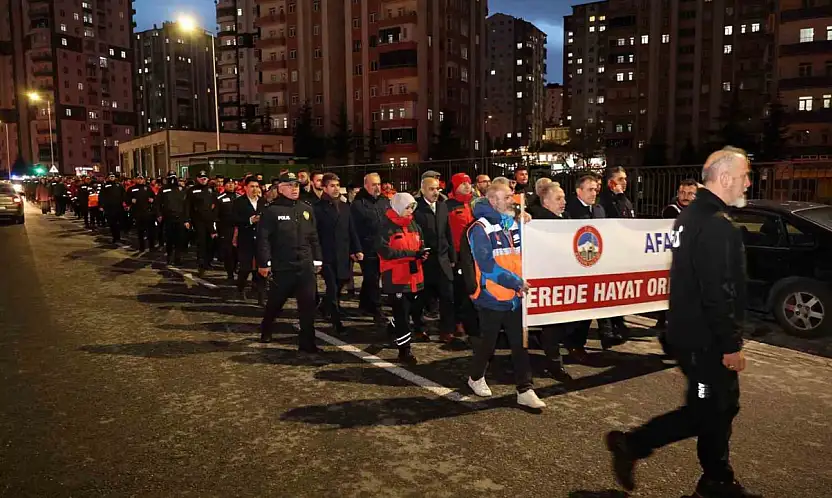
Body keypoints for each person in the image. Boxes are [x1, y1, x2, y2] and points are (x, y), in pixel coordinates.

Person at [606, 148, 759, 498]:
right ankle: (633, 444)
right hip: (705, 345)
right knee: (705, 409)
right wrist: (730, 345)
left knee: (722, 405)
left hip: (697, 338)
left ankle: (716, 478)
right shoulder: (714, 224)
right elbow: (718, 291)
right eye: (744, 175)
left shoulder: (695, 216)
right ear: (724, 178)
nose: (748, 182)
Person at [466, 182, 546, 409]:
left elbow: (525, 250)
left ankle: (525, 388)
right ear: (493, 201)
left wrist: (527, 221)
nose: (513, 200)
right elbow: (487, 265)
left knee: (520, 343)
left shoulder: (511, 222)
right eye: (508, 197)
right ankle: (475, 376)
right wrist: (516, 281)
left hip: (515, 296)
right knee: (488, 344)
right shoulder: (478, 228)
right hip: (492, 296)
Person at [257, 172, 323, 352]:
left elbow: (313, 236)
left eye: (296, 186)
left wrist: (317, 260)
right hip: (283, 265)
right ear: (280, 188)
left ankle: (307, 343)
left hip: (305, 265)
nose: (295, 189)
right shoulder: (271, 211)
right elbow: (263, 239)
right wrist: (265, 263)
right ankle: (266, 328)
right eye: (290, 186)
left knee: (308, 305)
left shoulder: (306, 208)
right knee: (276, 303)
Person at [565, 174, 625, 358]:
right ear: (579, 191)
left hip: (596, 263)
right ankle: (574, 344)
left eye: (596, 189)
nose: (594, 192)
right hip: (576, 265)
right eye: (590, 189)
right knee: (579, 312)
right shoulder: (569, 211)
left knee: (597, 303)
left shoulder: (599, 209)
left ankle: (602, 335)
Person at [527, 182, 573, 382]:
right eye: (558, 199)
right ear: (545, 202)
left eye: (563, 198)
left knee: (562, 324)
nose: (563, 202)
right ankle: (554, 363)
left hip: (564, 277)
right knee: (553, 325)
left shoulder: (565, 219)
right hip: (546, 280)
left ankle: (548, 348)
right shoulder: (537, 221)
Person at [379, 192, 428, 364]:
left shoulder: (414, 224)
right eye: (407, 207)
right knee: (402, 316)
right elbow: (385, 251)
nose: (410, 211)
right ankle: (404, 350)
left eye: (412, 207)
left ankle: (393, 327)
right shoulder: (386, 226)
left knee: (409, 310)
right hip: (396, 277)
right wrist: (412, 254)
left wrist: (422, 254)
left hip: (414, 276)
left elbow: (421, 243)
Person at [314, 173, 363, 335]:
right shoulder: (317, 208)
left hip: (343, 254)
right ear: (324, 187)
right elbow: (314, 235)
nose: (336, 189)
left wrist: (357, 249)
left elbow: (352, 229)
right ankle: (336, 322)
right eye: (332, 186)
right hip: (326, 256)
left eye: (337, 185)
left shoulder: (344, 207)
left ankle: (323, 306)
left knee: (340, 284)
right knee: (332, 288)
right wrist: (317, 258)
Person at [412, 176, 457, 343]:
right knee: (422, 298)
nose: (436, 192)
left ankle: (447, 330)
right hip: (425, 261)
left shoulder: (442, 206)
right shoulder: (416, 208)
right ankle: (419, 328)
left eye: (437, 189)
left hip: (443, 260)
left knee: (448, 296)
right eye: (432, 189)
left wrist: (452, 256)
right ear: (423, 189)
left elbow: (447, 232)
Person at [655, 178, 699, 330]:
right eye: (682, 192)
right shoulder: (671, 210)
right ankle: (664, 322)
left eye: (690, 194)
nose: (685, 196)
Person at [350, 172, 391, 322]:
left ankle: (365, 304)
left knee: (372, 278)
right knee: (372, 278)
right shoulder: (358, 204)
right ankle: (377, 310)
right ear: (366, 185)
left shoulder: (385, 201)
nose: (377, 187)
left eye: (379, 184)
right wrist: (356, 249)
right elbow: (353, 228)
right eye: (374, 184)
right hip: (367, 247)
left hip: (383, 247)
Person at [445, 173, 478, 339]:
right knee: (460, 291)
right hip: (458, 254)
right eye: (462, 183)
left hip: (476, 253)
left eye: (469, 182)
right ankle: (458, 323)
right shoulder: (448, 206)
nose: (467, 186)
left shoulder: (475, 204)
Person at [234, 176, 267, 304]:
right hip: (245, 240)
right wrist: (250, 220)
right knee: (245, 268)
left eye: (257, 187)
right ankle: (240, 289)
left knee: (262, 269)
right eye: (252, 186)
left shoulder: (263, 202)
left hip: (261, 240)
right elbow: (234, 219)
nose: (255, 189)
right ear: (245, 188)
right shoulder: (239, 202)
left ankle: (261, 296)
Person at [185, 170, 217, 277]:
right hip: (198, 220)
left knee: (210, 242)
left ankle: (208, 262)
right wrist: (187, 220)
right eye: (201, 177)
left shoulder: (210, 190)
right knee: (201, 242)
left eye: (205, 177)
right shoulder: (192, 190)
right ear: (197, 179)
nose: (203, 179)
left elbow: (215, 204)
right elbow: (187, 206)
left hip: (210, 220)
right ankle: (201, 263)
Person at [157, 174, 188, 265]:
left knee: (179, 239)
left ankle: (178, 257)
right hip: (168, 218)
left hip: (180, 218)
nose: (172, 180)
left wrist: (187, 219)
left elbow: (186, 205)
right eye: (170, 178)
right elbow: (158, 203)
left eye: (174, 177)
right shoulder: (163, 189)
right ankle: (169, 255)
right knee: (169, 238)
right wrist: (159, 215)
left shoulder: (182, 190)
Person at [215, 179, 238, 280]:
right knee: (228, 252)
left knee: (237, 251)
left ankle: (235, 267)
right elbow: (215, 215)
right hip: (225, 228)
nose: (231, 185)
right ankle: (230, 272)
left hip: (238, 228)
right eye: (228, 184)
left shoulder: (239, 197)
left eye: (232, 184)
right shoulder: (220, 198)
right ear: (224, 186)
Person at [127, 175, 156, 252]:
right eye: (138, 179)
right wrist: (130, 200)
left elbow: (154, 197)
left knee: (150, 231)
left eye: (141, 179)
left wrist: (152, 199)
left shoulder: (148, 188)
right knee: (140, 231)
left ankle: (151, 246)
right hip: (138, 213)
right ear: (136, 180)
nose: (140, 180)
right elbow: (126, 199)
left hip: (148, 213)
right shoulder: (131, 189)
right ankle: (141, 247)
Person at [100, 174, 126, 244]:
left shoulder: (119, 185)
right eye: (110, 177)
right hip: (109, 208)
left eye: (113, 176)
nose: (112, 178)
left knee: (119, 222)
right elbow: (101, 196)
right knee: (112, 223)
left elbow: (124, 194)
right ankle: (115, 237)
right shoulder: (105, 186)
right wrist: (101, 206)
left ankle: (119, 236)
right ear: (108, 178)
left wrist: (124, 202)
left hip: (118, 207)